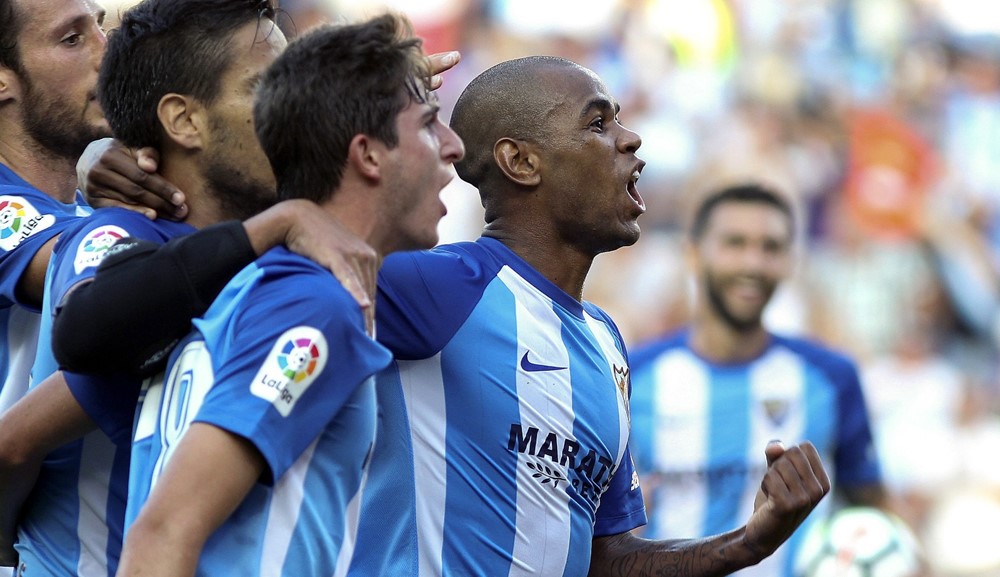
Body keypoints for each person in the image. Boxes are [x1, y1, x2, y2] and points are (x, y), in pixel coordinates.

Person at [62, 54, 831, 576]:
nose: (629, 138)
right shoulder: (435, 288)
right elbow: (294, 221)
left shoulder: (605, 346)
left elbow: (603, 556)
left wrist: (747, 541)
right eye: (598, 122)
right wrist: (110, 169)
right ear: (521, 161)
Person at [0, 1, 382, 574]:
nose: (103, 54)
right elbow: (92, 316)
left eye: (100, 27)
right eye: (72, 40)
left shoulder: (109, 214)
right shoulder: (107, 236)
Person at [116, 13, 464, 577]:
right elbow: (161, 536)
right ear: (368, 154)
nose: (453, 146)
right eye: (429, 124)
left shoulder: (253, 282)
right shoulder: (315, 307)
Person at [628, 183, 886, 577]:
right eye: (735, 243)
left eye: (771, 248)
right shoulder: (631, 375)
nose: (753, 263)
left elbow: (873, 510)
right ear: (694, 255)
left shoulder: (833, 377)